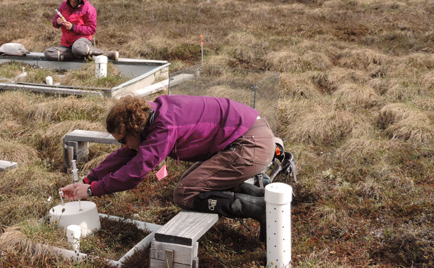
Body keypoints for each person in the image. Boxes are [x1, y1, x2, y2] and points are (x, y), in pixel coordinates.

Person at [60, 94, 276, 242]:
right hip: (246, 137)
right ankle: (267, 199)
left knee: (185, 193)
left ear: (135, 130)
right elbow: (126, 154)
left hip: (250, 145)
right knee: (196, 181)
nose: (123, 145)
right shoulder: (152, 114)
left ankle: (262, 209)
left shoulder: (164, 127)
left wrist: (93, 190)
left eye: (123, 140)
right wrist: (89, 180)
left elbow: (135, 172)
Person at [44, 0, 119, 61]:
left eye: (74, 2)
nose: (72, 4)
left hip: (82, 41)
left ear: (80, 1)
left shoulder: (89, 9)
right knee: (49, 53)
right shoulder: (64, 5)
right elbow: (54, 23)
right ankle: (82, 55)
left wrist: (73, 27)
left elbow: (92, 29)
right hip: (67, 44)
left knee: (78, 48)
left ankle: (105, 54)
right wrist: (57, 22)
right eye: (70, 1)